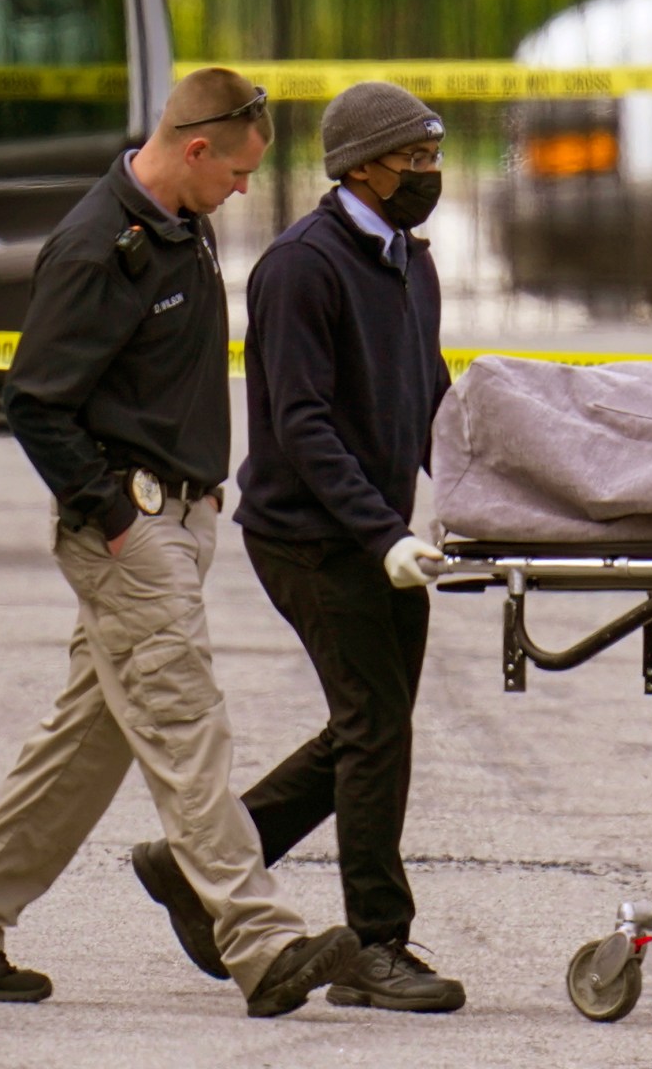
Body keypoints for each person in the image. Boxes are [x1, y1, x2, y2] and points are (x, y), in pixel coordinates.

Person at [0, 68, 358, 1017]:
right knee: (190, 732)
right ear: (195, 148)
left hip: (176, 523)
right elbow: (35, 401)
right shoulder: (96, 248)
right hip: (132, 530)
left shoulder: (177, 225)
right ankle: (260, 941)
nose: (242, 191)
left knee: (86, 746)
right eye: (235, 174)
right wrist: (109, 516)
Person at [128, 82, 460, 1012]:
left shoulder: (406, 261)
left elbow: (428, 399)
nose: (428, 176)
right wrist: (382, 532)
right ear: (361, 165)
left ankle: (197, 866)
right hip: (311, 538)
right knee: (374, 730)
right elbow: (304, 430)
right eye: (415, 160)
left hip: (371, 534)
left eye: (434, 157)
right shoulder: (300, 268)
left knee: (370, 726)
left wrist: (484, 502)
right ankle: (378, 945)